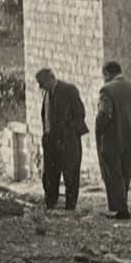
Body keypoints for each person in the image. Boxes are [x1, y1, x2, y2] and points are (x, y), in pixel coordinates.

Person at [95, 60, 131, 221]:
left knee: (113, 174)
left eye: (103, 76)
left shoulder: (107, 90)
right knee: (126, 174)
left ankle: (119, 209)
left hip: (112, 140)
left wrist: (99, 133)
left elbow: (103, 114)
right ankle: (121, 205)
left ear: (107, 74)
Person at [35, 67, 88, 210]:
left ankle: (70, 206)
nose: (41, 87)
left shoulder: (69, 90)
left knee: (70, 173)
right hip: (50, 142)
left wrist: (67, 133)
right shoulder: (47, 94)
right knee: (50, 175)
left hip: (68, 142)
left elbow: (80, 114)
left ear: (51, 79)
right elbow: (46, 117)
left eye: (43, 83)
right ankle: (51, 202)